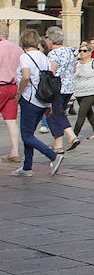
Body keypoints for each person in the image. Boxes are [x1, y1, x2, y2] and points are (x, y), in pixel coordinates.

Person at [13, 28, 63, 177]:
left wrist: (19, 92)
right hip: (43, 100)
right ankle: (27, 167)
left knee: (27, 135)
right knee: (29, 134)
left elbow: (26, 76)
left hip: (30, 99)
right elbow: (48, 80)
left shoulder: (25, 57)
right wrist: (48, 105)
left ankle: (53, 156)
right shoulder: (44, 57)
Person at [42, 26, 78, 154]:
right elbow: (74, 68)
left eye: (46, 38)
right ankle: (57, 144)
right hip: (69, 87)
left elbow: (51, 72)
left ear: (51, 39)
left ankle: (71, 136)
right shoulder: (69, 51)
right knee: (57, 113)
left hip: (57, 87)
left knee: (55, 114)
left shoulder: (54, 53)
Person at [72, 42, 94, 141]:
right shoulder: (77, 64)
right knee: (88, 113)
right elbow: (73, 75)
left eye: (85, 51)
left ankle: (73, 135)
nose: (82, 53)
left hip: (91, 92)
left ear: (90, 52)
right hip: (79, 92)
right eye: (80, 51)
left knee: (81, 113)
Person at [0, 24, 22, 163]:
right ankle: (15, 151)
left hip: (0, 84)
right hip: (12, 86)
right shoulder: (17, 48)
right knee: (11, 120)